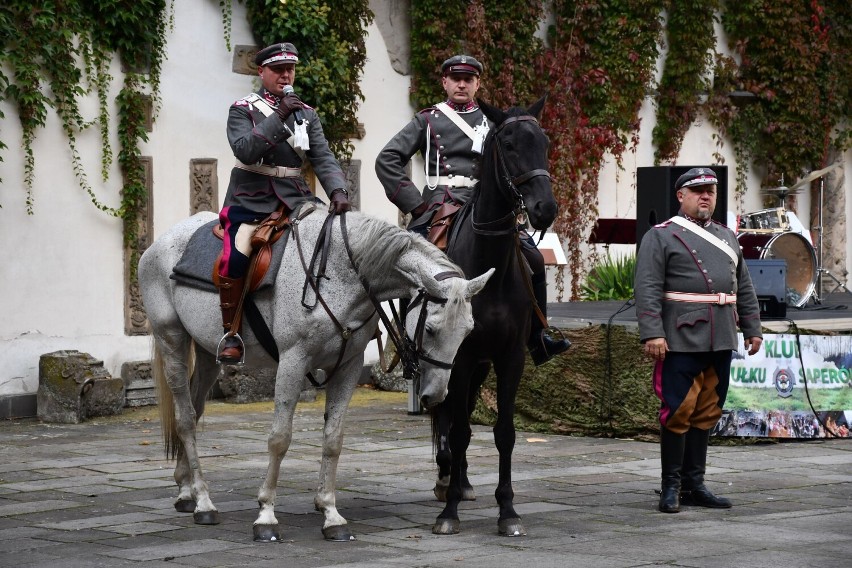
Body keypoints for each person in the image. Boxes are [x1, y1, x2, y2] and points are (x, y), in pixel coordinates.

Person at [375, 54, 570, 365]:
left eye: (469, 79)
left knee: (532, 256)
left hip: (489, 207)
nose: (462, 84)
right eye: (456, 78)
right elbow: (387, 160)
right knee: (407, 262)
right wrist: (417, 205)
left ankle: (539, 337)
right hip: (441, 206)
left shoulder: (496, 121)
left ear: (478, 83)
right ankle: (409, 340)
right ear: (445, 82)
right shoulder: (427, 120)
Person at [634, 167, 763, 513]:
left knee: (707, 412)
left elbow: (744, 285)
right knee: (677, 411)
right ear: (681, 196)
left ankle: (695, 484)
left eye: (711, 191)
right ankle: (671, 486)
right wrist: (653, 332)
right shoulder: (660, 236)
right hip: (679, 336)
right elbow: (646, 288)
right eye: (697, 191)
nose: (706, 196)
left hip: (720, 334)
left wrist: (752, 327)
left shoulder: (727, 236)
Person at [217, 42, 351, 363]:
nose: (285, 74)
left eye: (289, 69)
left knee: (338, 243)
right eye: (278, 69)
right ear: (261, 71)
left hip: (296, 196)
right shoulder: (242, 109)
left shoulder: (306, 113)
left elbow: (322, 156)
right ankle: (231, 333)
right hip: (250, 197)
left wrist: (338, 191)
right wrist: (279, 115)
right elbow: (246, 150)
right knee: (235, 256)